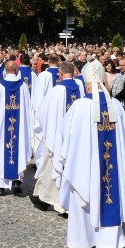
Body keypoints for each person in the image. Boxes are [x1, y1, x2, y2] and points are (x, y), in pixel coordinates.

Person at [57, 59, 125, 248]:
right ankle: (108, 243)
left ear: (87, 85)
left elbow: (66, 134)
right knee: (109, 191)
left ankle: (82, 242)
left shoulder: (80, 106)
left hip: (85, 167)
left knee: (83, 197)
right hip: (111, 167)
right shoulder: (115, 105)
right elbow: (124, 137)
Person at [33, 60, 81, 212]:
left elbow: (43, 112)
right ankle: (68, 202)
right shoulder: (80, 88)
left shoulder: (57, 90)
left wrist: (46, 129)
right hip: (74, 137)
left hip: (57, 137)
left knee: (52, 167)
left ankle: (47, 198)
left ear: (60, 73)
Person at [0, 60, 32, 195]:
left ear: (5, 71)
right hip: (18, 126)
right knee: (17, 148)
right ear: (17, 70)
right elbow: (27, 109)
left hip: (1, 127)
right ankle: (16, 181)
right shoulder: (23, 87)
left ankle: (0, 186)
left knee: (0, 151)